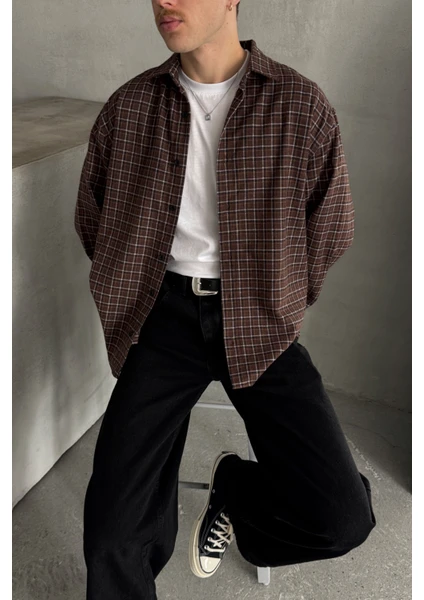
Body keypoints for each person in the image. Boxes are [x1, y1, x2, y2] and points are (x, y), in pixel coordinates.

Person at [74, 1, 377, 598]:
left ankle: (235, 490)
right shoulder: (129, 107)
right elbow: (95, 219)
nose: (164, 1)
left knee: (342, 518)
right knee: (111, 535)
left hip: (260, 321)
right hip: (161, 320)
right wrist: (130, 285)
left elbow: (331, 226)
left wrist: (279, 302)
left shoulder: (299, 104)